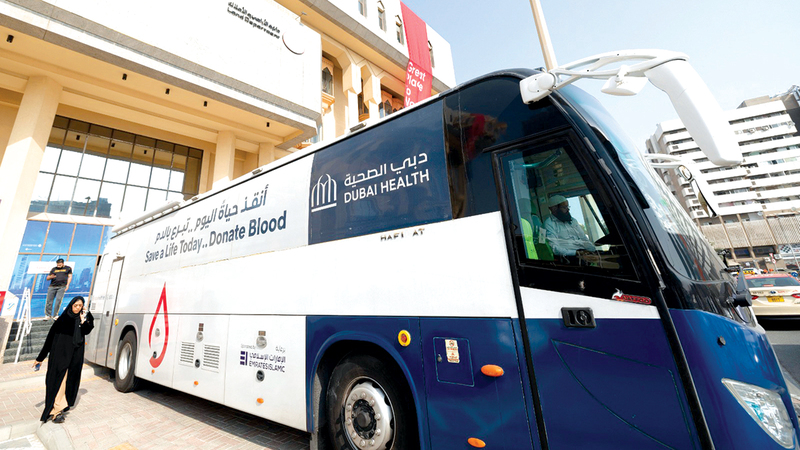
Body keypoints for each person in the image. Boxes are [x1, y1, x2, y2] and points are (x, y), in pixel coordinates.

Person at [33, 296, 94, 424]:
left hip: (74, 358)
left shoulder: (81, 319)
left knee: (68, 381)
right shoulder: (63, 319)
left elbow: (87, 330)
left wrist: (84, 320)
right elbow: (49, 339)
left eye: (80, 306)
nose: (78, 308)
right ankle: (56, 411)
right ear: (71, 305)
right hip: (60, 356)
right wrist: (40, 358)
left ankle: (60, 407)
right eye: (76, 305)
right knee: (59, 381)